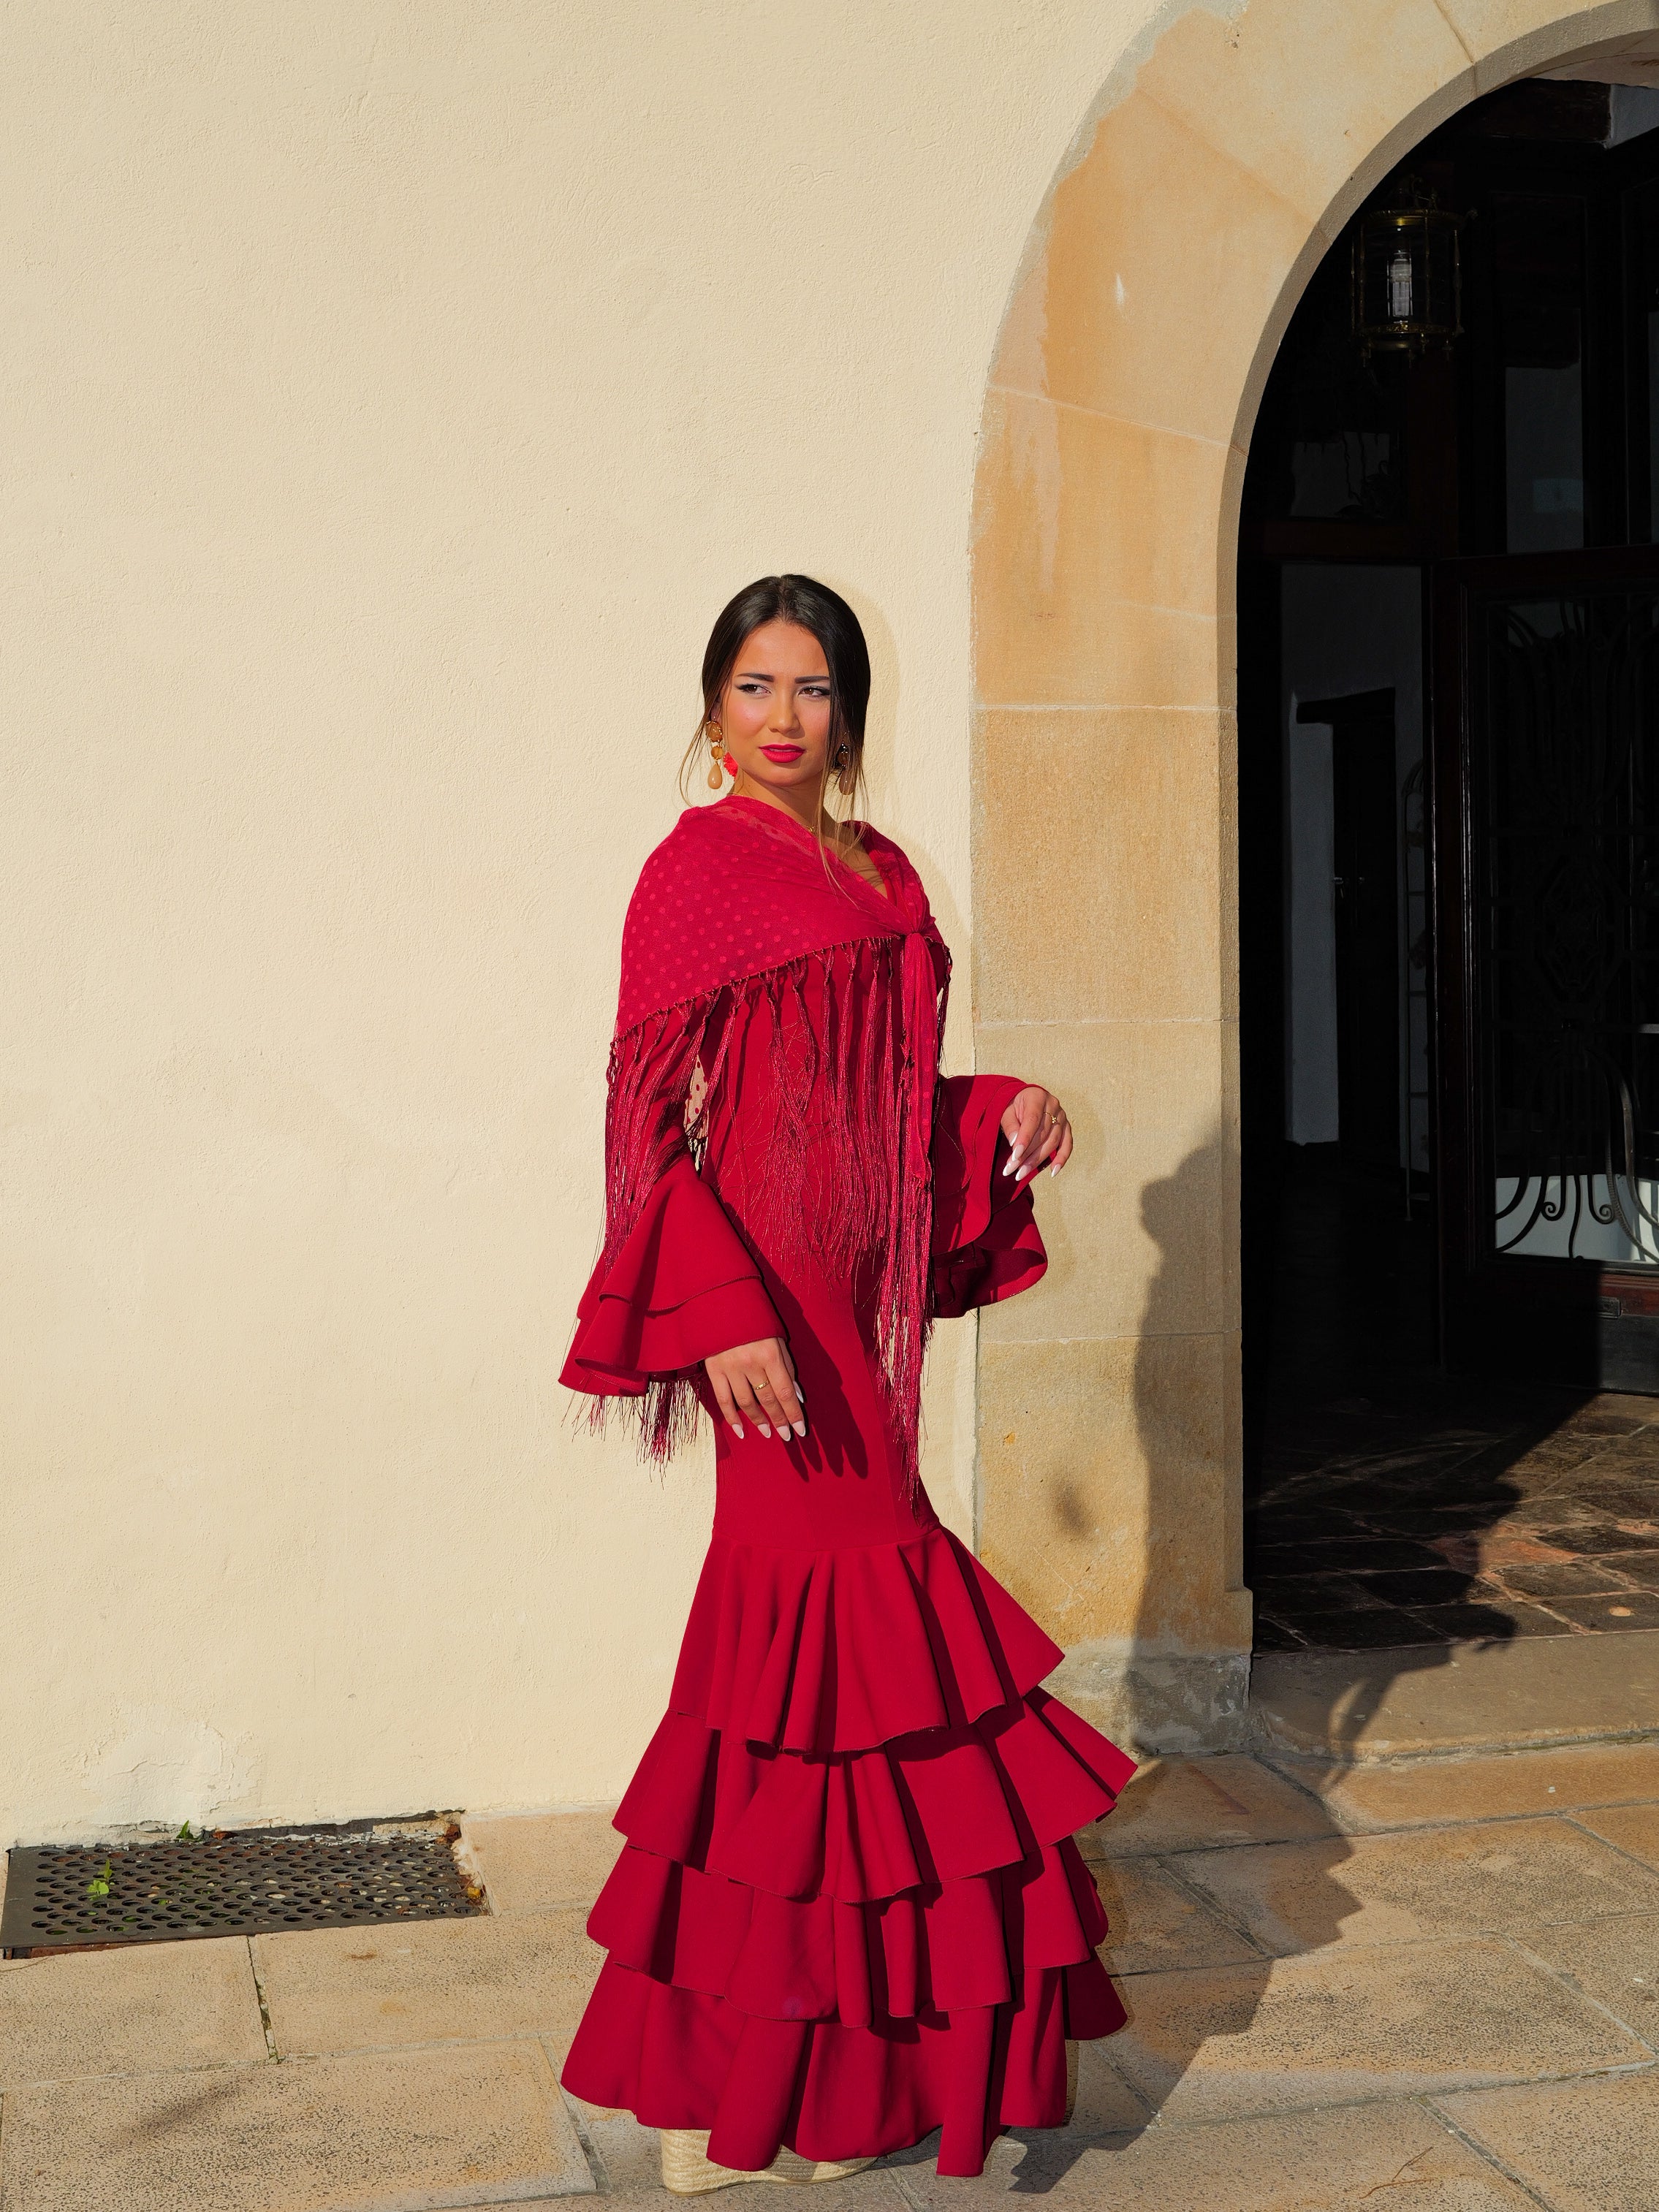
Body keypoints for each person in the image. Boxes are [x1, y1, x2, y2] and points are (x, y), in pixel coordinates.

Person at [558, 576, 1133, 2191]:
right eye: (755, 685)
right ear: (712, 705)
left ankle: (855, 2073)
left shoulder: (884, 871)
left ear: (848, 713)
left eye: (812, 688)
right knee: (805, 1663)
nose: (783, 716)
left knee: (855, 1679)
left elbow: (878, 1098)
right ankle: (727, 2089)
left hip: (866, 1319)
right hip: (767, 1311)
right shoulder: (690, 872)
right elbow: (646, 1130)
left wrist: (997, 1104)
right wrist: (720, 1312)